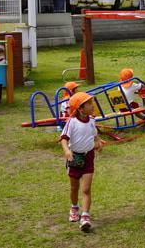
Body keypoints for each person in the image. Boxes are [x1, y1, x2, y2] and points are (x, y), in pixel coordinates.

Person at [60, 91, 103, 232]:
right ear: (80, 108)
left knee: (86, 189)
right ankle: (74, 207)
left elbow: (93, 131)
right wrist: (67, 151)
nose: (92, 106)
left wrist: (98, 140)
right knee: (74, 188)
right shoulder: (71, 122)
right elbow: (64, 138)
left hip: (89, 157)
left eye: (91, 102)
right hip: (75, 158)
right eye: (89, 104)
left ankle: (85, 217)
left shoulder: (91, 119)